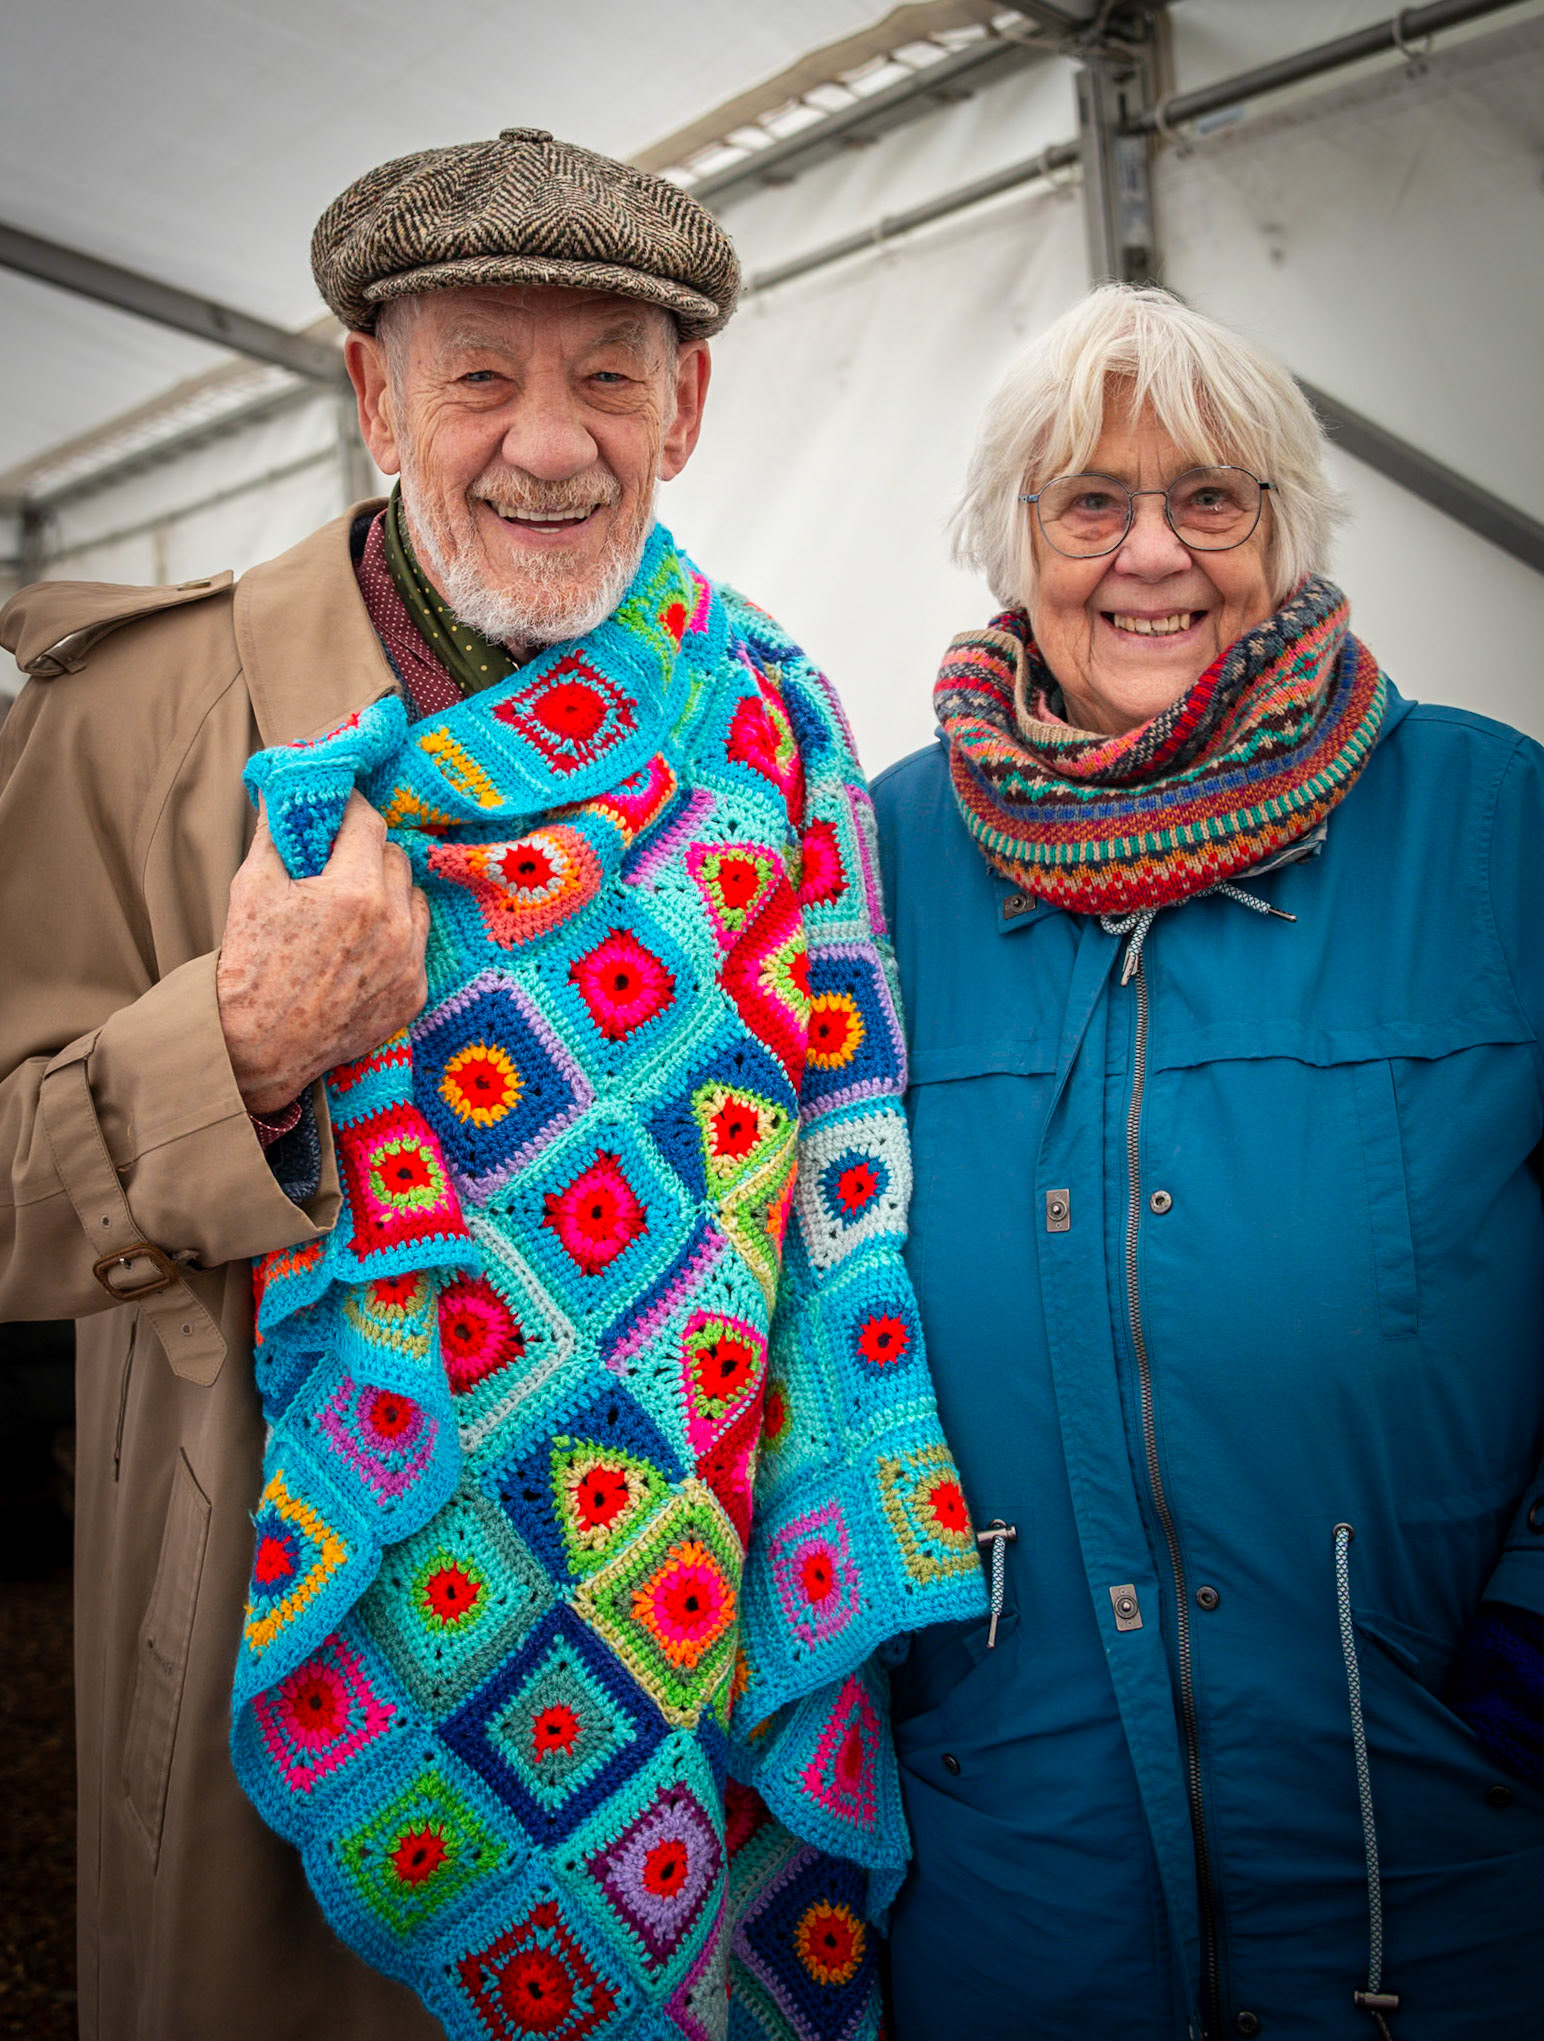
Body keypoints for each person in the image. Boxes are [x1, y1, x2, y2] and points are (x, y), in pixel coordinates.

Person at [0, 130, 982, 2041]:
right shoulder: (139, 718)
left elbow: (834, 1219)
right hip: (264, 1699)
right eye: (478, 375)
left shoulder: (771, 740)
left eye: (609, 373)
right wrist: (245, 1046)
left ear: (685, 407)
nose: (550, 442)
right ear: (374, 391)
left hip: (671, 1674)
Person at [873, 284, 1544, 2041]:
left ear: (1285, 528)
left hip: (1430, 1827)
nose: (1150, 553)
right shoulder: (871, 862)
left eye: (1212, 498)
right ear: (1013, 539)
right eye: (1089, 501)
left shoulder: (1493, 822)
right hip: (1009, 1837)